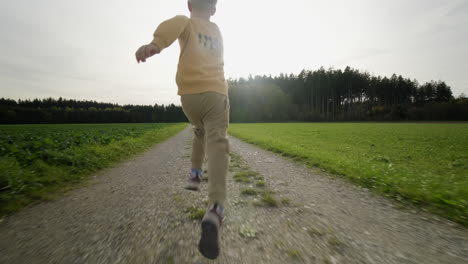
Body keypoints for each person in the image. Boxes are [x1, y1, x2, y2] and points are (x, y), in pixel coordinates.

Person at [135, 0, 229, 259]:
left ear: (189, 5)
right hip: (215, 93)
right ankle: (215, 208)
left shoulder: (185, 21)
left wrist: (156, 44)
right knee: (217, 141)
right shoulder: (217, 30)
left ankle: (195, 173)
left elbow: (171, 26)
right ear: (214, 9)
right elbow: (218, 59)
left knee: (198, 130)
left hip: (189, 97)